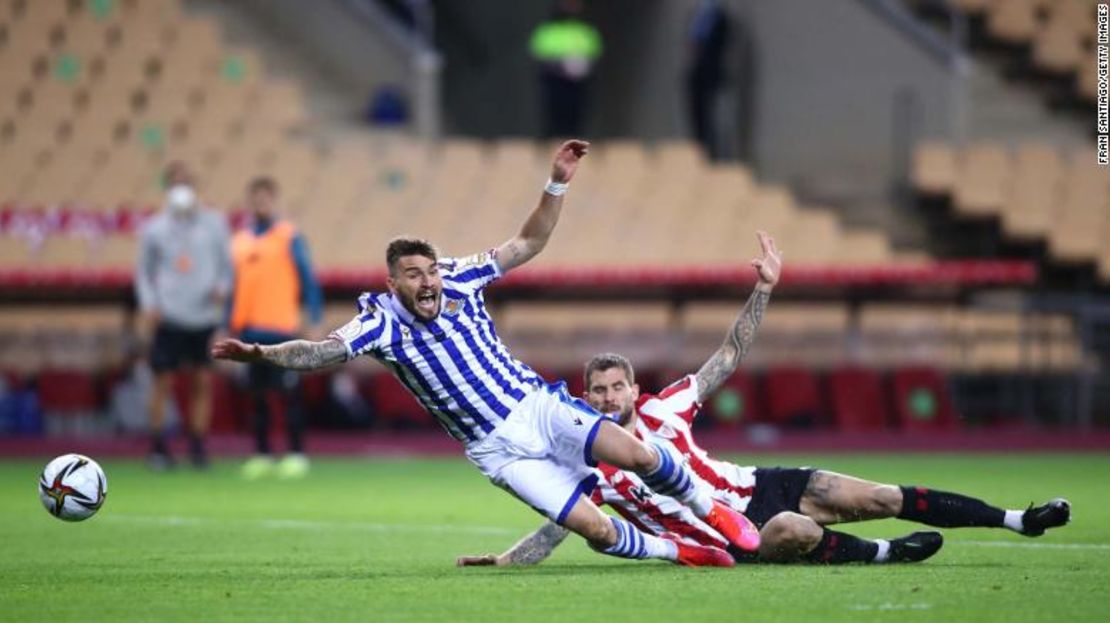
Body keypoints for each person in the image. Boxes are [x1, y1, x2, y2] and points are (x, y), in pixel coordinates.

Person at [213, 140, 758, 568]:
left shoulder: (461, 275)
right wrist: (262, 353)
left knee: (636, 454)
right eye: (413, 276)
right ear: (393, 283)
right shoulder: (378, 320)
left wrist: (556, 185)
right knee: (594, 529)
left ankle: (713, 512)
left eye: (429, 271)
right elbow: (322, 352)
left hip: (536, 406)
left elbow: (529, 243)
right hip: (497, 450)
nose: (427, 282)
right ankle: (679, 551)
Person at [458, 231, 1071, 567]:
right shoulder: (585, 455)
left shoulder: (666, 407)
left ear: (635, 389)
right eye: (598, 390)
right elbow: (563, 524)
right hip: (725, 536)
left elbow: (728, 355)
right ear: (585, 396)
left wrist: (764, 290)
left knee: (877, 494)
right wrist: (508, 561)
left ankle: (1019, 520)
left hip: (759, 483)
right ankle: (885, 555)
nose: (609, 396)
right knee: (790, 528)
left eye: (618, 386)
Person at [136, 161, 233, 469]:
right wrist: (149, 303)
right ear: (167, 189)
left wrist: (222, 287)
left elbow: (227, 266)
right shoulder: (154, 228)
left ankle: (198, 446)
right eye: (176, 184)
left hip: (204, 316)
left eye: (186, 183)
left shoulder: (215, 224)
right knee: (163, 382)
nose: (182, 190)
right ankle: (158, 446)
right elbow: (143, 271)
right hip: (170, 316)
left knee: (202, 382)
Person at [228, 176, 323, 479]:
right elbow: (233, 289)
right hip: (250, 332)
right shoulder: (239, 241)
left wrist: (314, 319)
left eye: (265, 198)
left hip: (283, 330)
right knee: (257, 397)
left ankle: (296, 453)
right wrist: (225, 326)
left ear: (273, 200)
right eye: (255, 199)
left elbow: (308, 280)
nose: (260, 204)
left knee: (289, 395)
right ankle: (262, 454)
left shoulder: (289, 236)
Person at [529, 0, 602, 138]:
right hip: (555, 82)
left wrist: (581, 66)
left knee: (576, 116)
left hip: (579, 84)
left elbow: (594, 56)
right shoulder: (548, 31)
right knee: (554, 114)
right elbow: (540, 56)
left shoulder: (586, 31)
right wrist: (561, 66)